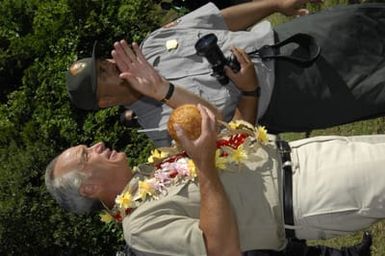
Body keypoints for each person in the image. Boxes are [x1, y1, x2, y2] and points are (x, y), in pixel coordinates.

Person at [45, 103, 383, 255]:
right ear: (89, 188)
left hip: (302, 154)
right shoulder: (138, 227)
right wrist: (203, 164)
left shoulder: (154, 168)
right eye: (87, 154)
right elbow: (221, 249)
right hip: (310, 193)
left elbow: (218, 124)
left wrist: (163, 90)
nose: (97, 144)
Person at [65, 0, 385, 146]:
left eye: (104, 63)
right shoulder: (163, 130)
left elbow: (220, 22)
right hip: (297, 97)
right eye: (104, 74)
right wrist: (248, 92)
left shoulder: (154, 42)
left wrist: (275, 4)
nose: (111, 64)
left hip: (292, 40)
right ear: (105, 101)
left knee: (369, 20)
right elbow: (236, 138)